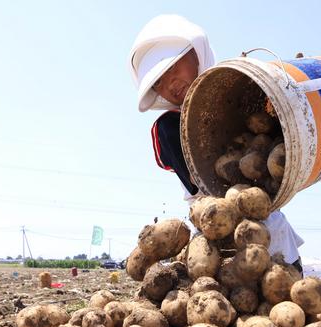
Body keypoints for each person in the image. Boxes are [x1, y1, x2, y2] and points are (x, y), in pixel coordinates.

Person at [129, 15, 304, 273]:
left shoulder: (237, 98)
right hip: (216, 230)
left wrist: (290, 93)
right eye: (159, 82)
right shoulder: (168, 126)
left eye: (173, 68)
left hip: (267, 224)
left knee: (287, 283)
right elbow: (201, 182)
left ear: (197, 55)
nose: (170, 84)